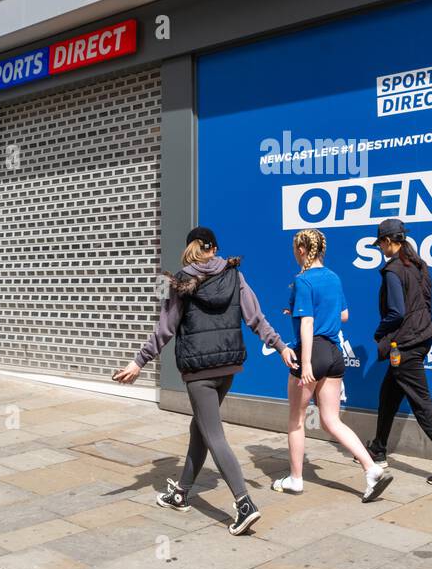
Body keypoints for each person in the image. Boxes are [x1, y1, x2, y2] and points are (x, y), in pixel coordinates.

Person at [113, 226, 295, 536]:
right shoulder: (234, 275)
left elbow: (165, 329)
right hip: (227, 367)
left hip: (200, 370)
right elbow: (256, 317)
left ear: (191, 248)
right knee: (199, 427)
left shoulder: (180, 281)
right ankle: (181, 492)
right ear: (214, 249)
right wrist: (280, 346)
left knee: (213, 434)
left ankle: (244, 504)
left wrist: (139, 361)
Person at [272, 229, 393, 503]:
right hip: (333, 353)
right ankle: (372, 469)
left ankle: (295, 480)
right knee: (331, 420)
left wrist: (304, 364)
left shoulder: (302, 280)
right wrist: (307, 311)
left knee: (296, 421)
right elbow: (344, 315)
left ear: (302, 250)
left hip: (312, 352)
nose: (294, 253)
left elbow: (307, 323)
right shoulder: (334, 277)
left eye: (295, 248)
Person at [365, 218, 432, 486]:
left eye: (381, 244)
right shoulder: (419, 265)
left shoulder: (394, 270)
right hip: (419, 338)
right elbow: (426, 305)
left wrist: (381, 332)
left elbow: (396, 313)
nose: (380, 249)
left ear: (388, 242)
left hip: (406, 344)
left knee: (422, 404)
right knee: (388, 395)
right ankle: (378, 449)